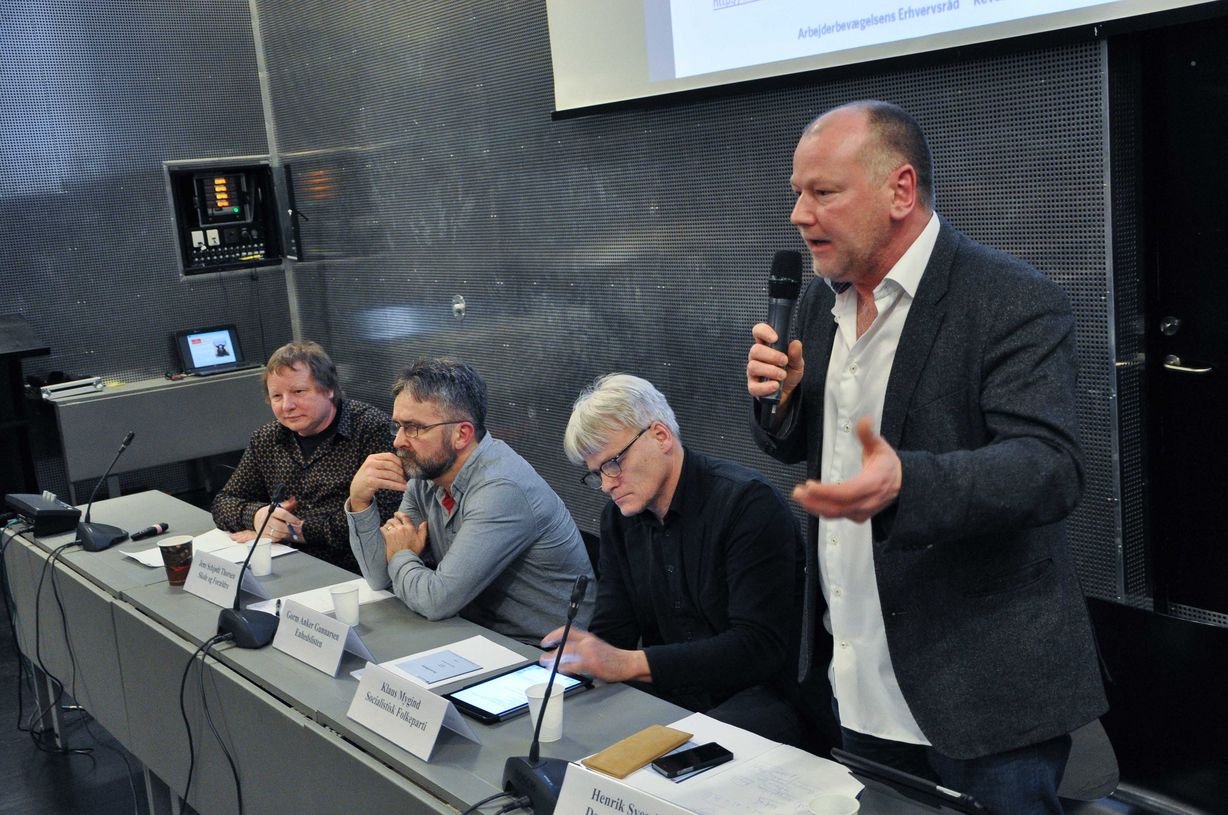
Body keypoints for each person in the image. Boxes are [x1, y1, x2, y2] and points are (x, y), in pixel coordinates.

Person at [745, 100, 1107, 813]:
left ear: (900, 191)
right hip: (854, 678)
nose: (797, 213)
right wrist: (781, 409)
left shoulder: (1009, 298)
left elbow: (1050, 466)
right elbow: (801, 442)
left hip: (983, 696)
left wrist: (910, 480)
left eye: (822, 192)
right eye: (796, 191)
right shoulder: (820, 306)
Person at [541, 373, 804, 743]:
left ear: (661, 436)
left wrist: (628, 663)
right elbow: (614, 631)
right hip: (670, 696)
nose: (606, 484)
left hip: (756, 702)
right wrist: (581, 657)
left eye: (613, 463)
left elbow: (757, 650)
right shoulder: (619, 519)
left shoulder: (748, 505)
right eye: (596, 473)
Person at [347, 358, 594, 643]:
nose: (398, 441)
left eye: (414, 427)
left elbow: (435, 600)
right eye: (398, 426)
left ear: (462, 434)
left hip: (542, 655)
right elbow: (380, 577)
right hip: (476, 636)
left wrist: (402, 554)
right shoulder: (425, 477)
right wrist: (360, 502)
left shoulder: (501, 488)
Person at [212, 341, 398, 569]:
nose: (287, 405)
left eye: (298, 392)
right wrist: (258, 517)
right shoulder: (267, 438)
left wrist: (294, 531)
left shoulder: (371, 429)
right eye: (277, 396)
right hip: (284, 562)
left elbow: (386, 517)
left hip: (354, 569)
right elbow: (223, 503)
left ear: (329, 389)